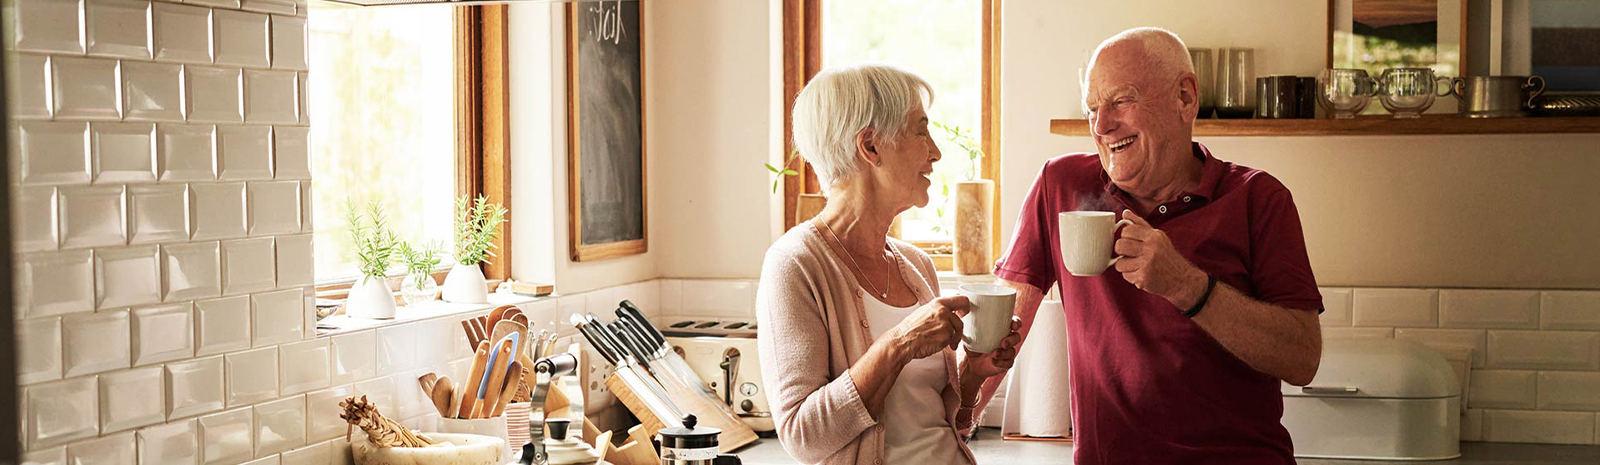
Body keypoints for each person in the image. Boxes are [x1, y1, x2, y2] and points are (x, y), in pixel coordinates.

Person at [975, 28, 1325, 464]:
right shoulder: (1060, 185)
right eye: (1092, 109)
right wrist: (947, 426)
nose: (1101, 126)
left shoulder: (1259, 198)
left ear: (1184, 97)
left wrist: (1188, 287)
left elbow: (1302, 358)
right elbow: (998, 327)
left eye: (1122, 100)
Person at [755, 63, 1022, 465]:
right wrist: (899, 345)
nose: (935, 151)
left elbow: (939, 422)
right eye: (920, 130)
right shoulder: (795, 265)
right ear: (871, 147)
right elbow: (803, 435)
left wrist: (973, 374)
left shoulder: (916, 265)